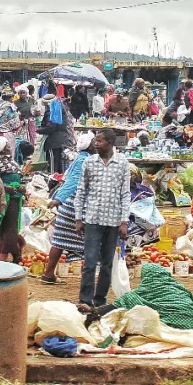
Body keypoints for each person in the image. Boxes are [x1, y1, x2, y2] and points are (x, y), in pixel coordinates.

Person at [74, 130, 130, 308]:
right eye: (95, 141)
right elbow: (81, 191)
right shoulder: (89, 163)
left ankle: (99, 300)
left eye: (99, 141)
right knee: (90, 262)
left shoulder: (122, 163)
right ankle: (84, 300)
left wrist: (123, 221)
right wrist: (78, 218)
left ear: (111, 143)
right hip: (93, 219)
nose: (96, 144)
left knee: (107, 264)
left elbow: (125, 194)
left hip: (113, 221)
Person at [40, 133, 95, 284]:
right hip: (77, 208)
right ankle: (89, 279)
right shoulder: (85, 161)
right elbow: (73, 183)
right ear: (89, 146)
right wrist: (58, 199)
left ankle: (48, 274)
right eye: (95, 142)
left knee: (59, 241)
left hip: (68, 207)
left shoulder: (80, 159)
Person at [88, 263, 193, 329]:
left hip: (174, 326)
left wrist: (94, 311)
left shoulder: (142, 292)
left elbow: (116, 306)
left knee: (129, 301)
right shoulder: (180, 288)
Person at [0, 137, 24, 262]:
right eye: (6, 146)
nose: (9, 148)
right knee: (4, 226)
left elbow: (19, 179)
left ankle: (11, 253)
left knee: (10, 226)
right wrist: (5, 188)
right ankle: (5, 254)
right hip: (2, 200)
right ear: (0, 150)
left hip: (15, 198)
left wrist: (22, 187)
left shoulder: (12, 163)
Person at [39, 93, 71, 174]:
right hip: (63, 139)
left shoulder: (52, 111)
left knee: (53, 165)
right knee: (61, 164)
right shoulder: (61, 109)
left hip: (53, 141)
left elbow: (51, 128)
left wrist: (38, 130)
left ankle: (53, 182)